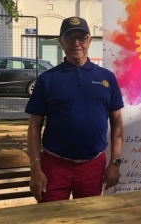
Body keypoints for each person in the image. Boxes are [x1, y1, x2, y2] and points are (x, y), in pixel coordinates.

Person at [26, 16, 124, 203]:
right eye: (70, 38)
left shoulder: (107, 78)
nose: (76, 43)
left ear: (89, 40)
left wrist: (115, 163)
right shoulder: (48, 79)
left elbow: (117, 122)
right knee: (51, 218)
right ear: (61, 41)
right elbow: (33, 126)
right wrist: (35, 169)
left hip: (93, 166)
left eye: (82, 37)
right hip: (54, 166)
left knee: (88, 219)